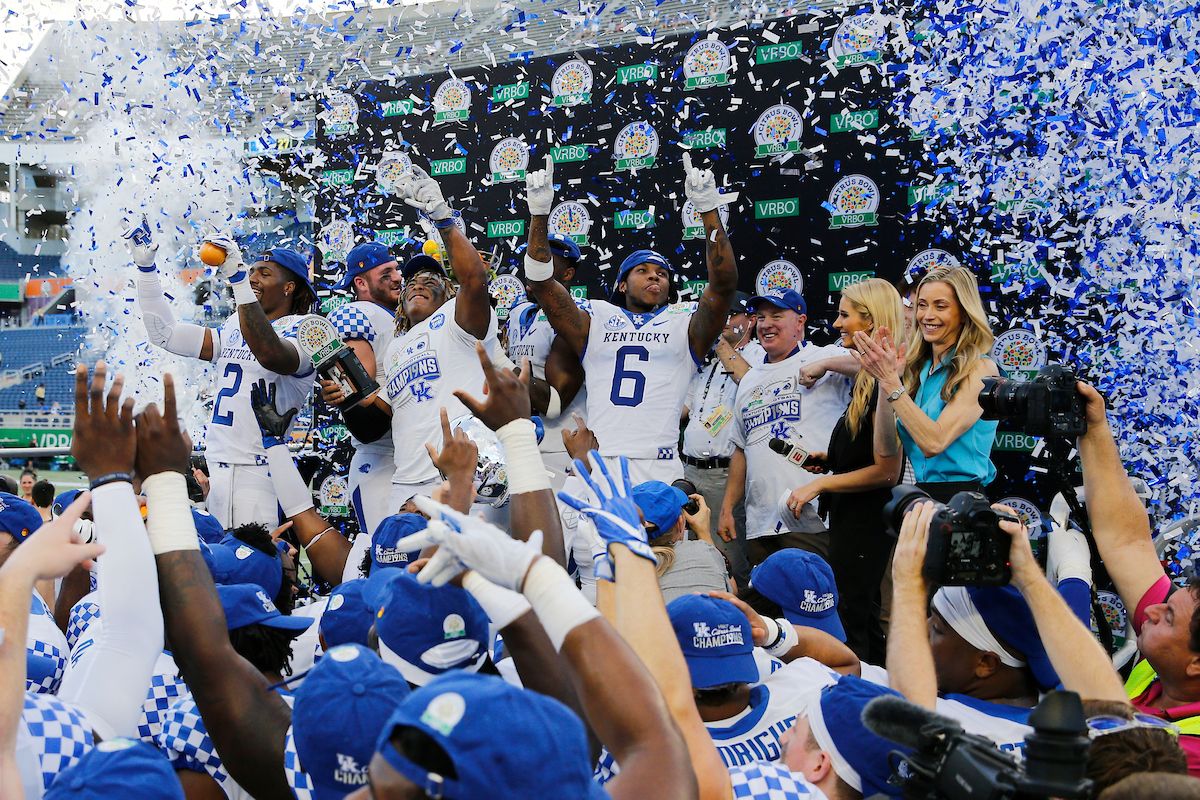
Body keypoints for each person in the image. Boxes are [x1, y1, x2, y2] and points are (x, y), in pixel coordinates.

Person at [524, 153, 739, 484]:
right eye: (643, 271)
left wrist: (709, 209)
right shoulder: (595, 319)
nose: (654, 278)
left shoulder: (684, 324)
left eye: (662, 274)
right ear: (622, 283)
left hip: (657, 465)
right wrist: (539, 215)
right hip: (597, 462)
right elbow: (541, 282)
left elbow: (724, 285)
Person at [327, 166, 502, 516]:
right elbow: (375, 423)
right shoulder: (396, 345)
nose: (417, 283)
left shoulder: (459, 319)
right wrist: (345, 396)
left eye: (429, 278)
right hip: (405, 484)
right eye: (410, 279)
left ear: (450, 291)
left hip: (464, 478)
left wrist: (443, 218)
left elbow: (474, 280)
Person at [128, 223, 318, 528]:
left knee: (254, 567)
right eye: (252, 271)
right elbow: (164, 334)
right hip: (217, 470)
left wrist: (240, 281)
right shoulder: (234, 324)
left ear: (289, 287)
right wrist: (146, 269)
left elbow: (270, 352)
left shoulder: (307, 327)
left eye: (264, 274)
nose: (254, 277)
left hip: (260, 470)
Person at [1075, 378, 1200, 774]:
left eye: (1169, 618)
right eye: (1167, 602)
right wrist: (1095, 427)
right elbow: (1127, 541)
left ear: (1196, 665)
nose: (1150, 610)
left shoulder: (1189, 757)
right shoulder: (1166, 662)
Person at [787, 278, 905, 662]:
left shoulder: (889, 384)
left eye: (844, 315)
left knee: (857, 618)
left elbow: (887, 471)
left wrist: (823, 483)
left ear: (870, 323)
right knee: (858, 617)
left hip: (871, 522)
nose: (836, 324)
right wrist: (835, 459)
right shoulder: (866, 381)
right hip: (853, 518)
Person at [720, 289, 852, 565]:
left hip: (811, 518)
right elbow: (741, 448)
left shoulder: (823, 355)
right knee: (767, 606)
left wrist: (826, 364)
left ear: (801, 321)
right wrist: (727, 508)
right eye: (762, 317)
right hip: (760, 521)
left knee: (814, 601)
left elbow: (881, 366)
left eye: (777, 316)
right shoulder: (749, 378)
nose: (766, 324)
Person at [856, 265, 999, 502]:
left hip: (963, 502)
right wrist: (885, 380)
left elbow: (934, 442)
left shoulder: (981, 369)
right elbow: (886, 449)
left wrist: (892, 383)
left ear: (964, 313)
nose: (927, 315)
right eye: (921, 305)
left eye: (940, 306)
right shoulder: (916, 370)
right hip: (920, 498)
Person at [325, 241, 402, 570]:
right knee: (388, 563)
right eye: (386, 273)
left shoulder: (402, 316)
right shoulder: (357, 314)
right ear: (360, 282)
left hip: (411, 458)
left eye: (397, 269)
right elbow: (365, 417)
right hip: (383, 461)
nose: (398, 277)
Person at [681, 291, 761, 588]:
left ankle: (739, 618)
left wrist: (717, 339)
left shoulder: (757, 354)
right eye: (719, 315)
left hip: (725, 473)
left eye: (732, 314)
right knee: (691, 554)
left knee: (728, 558)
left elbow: (750, 383)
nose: (724, 321)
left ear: (750, 320)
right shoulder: (705, 360)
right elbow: (684, 410)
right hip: (689, 470)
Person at [507, 232, 587, 487]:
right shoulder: (518, 312)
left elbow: (554, 405)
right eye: (533, 260)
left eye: (547, 262)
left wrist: (499, 364)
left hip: (559, 446)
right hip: (515, 443)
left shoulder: (578, 316)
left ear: (568, 274)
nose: (536, 267)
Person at [633, 480, 730, 604]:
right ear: (680, 524)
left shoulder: (616, 562)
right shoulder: (703, 551)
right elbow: (731, 591)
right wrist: (704, 533)